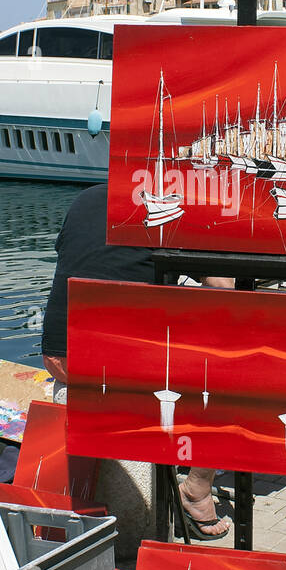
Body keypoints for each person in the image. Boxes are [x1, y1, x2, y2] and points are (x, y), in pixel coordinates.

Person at [41, 183, 234, 540]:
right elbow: (224, 289)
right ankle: (197, 492)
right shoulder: (176, 207)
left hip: (58, 353)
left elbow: (93, 262)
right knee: (229, 367)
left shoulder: (85, 197)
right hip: (113, 363)